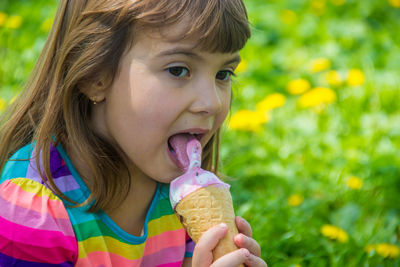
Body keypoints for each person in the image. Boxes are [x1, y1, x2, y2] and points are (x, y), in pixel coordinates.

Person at [0, 0, 267, 266]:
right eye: (178, 70)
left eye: (224, 74)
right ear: (96, 76)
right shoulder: (32, 213)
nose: (212, 103)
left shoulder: (181, 198)